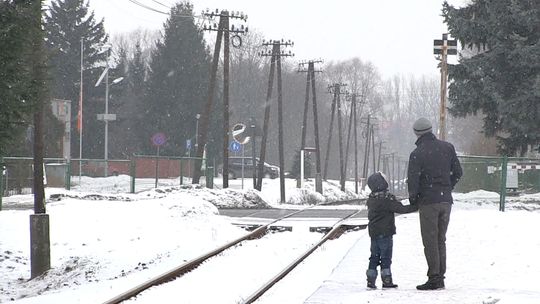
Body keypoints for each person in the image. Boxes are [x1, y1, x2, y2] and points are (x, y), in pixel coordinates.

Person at [407, 117, 462, 290]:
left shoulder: (417, 154)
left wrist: (414, 199)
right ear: (431, 130)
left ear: (416, 133)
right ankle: (440, 277)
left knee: (430, 240)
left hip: (428, 202)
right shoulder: (448, 148)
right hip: (446, 201)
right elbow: (458, 172)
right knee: (440, 239)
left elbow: (413, 181)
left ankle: (434, 278)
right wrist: (447, 187)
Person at [365, 171, 418, 289]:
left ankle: (370, 280)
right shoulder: (387, 199)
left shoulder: (371, 199)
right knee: (385, 257)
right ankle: (387, 280)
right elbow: (401, 209)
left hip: (373, 233)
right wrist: (416, 206)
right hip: (386, 232)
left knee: (374, 256)